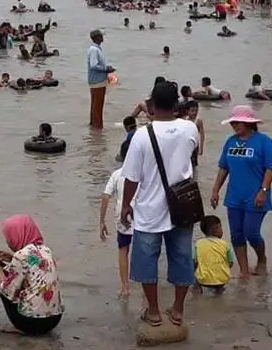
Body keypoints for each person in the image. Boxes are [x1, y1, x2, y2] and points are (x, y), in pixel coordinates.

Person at [120, 81, 200, 327]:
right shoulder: (190, 129)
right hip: (183, 208)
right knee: (182, 259)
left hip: (149, 210)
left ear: (152, 105)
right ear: (177, 104)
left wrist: (125, 205)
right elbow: (192, 157)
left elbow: (132, 177)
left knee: (147, 262)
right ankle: (177, 310)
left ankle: (153, 311)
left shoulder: (142, 135)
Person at [210, 105, 272, 280]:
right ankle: (244, 270)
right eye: (233, 123)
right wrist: (215, 190)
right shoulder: (230, 142)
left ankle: (262, 260)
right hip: (234, 197)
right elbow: (223, 168)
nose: (234, 126)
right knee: (236, 234)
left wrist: (263, 190)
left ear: (249, 123)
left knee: (251, 232)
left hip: (256, 196)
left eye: (237, 122)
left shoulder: (264, 142)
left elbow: (270, 168)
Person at [0, 215, 63, 335]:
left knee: (2, 281)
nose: (8, 242)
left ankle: (20, 326)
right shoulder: (45, 250)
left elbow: (6, 290)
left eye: (9, 238)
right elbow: (33, 266)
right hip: (54, 319)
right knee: (24, 280)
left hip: (32, 323)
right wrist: (12, 258)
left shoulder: (21, 255)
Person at [98, 163, 132, 298]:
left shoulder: (117, 174)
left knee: (123, 250)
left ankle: (125, 287)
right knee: (142, 253)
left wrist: (102, 221)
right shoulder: (144, 172)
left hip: (122, 216)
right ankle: (145, 289)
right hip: (142, 217)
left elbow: (106, 196)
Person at [194, 215, 234, 294]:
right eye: (221, 227)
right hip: (222, 280)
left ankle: (197, 288)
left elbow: (194, 262)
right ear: (216, 228)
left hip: (203, 280)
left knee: (196, 270)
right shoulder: (225, 244)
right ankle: (219, 291)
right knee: (220, 285)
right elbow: (231, 263)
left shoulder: (198, 244)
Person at [87, 29, 115, 130]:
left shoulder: (95, 49)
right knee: (98, 107)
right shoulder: (94, 50)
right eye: (101, 36)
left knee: (95, 105)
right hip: (97, 81)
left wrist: (106, 68)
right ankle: (98, 128)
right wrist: (106, 69)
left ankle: (93, 126)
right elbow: (93, 65)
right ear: (97, 37)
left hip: (96, 81)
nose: (103, 37)